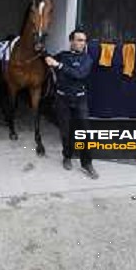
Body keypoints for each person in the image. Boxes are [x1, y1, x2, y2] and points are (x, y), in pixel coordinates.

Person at [45, 28, 99, 179]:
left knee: (85, 133)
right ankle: (67, 157)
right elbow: (48, 59)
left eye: (84, 40)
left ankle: (87, 163)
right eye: (79, 40)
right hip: (62, 99)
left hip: (80, 99)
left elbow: (79, 74)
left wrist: (58, 66)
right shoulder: (63, 55)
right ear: (72, 41)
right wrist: (44, 53)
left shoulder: (87, 59)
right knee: (65, 131)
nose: (82, 43)